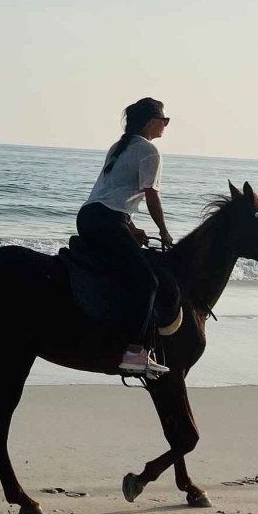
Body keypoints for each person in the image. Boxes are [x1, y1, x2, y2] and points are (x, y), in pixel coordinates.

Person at [76, 98, 174, 377]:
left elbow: (113, 194)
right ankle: (134, 352)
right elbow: (152, 197)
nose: (165, 126)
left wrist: (131, 228)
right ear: (151, 121)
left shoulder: (120, 148)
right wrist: (164, 232)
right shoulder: (149, 151)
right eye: (164, 120)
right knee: (147, 282)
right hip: (108, 221)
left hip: (90, 217)